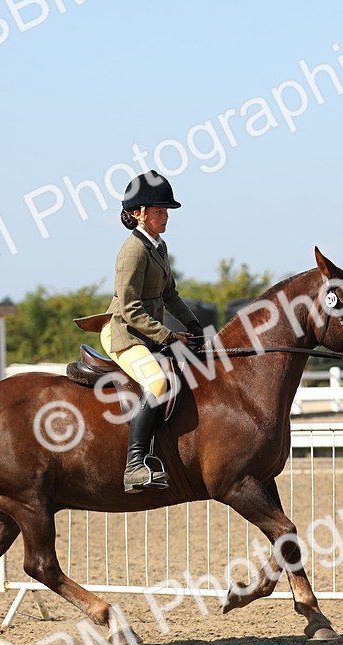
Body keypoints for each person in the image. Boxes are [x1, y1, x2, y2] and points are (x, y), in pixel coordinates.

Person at [89, 170, 204, 494]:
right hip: (123, 333)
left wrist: (193, 325)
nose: (165, 217)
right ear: (138, 213)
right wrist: (168, 336)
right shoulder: (133, 250)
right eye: (159, 211)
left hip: (146, 332)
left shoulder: (158, 246)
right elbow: (129, 308)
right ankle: (135, 465)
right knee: (158, 382)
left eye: (166, 211)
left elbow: (170, 295)